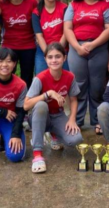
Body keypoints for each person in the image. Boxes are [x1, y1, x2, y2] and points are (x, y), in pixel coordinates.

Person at [63, 0, 109, 134]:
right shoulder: (73, 5)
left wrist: (92, 44)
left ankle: (97, 120)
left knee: (97, 85)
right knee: (79, 85)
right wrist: (77, 47)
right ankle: (77, 120)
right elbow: (67, 28)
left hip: (98, 48)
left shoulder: (105, 6)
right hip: (76, 48)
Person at [24, 43, 83, 173]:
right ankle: (38, 154)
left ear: (64, 58)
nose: (54, 60)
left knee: (76, 139)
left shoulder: (69, 76)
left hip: (58, 114)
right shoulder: (40, 78)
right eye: (50, 57)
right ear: (45, 59)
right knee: (41, 105)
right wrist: (47, 94)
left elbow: (73, 99)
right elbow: (26, 104)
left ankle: (54, 133)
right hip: (39, 117)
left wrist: (72, 119)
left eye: (58, 56)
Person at [0, 0, 37, 88]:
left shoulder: (32, 2)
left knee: (27, 76)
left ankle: (24, 103)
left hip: (28, 46)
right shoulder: (1, 3)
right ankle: (7, 99)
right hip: (8, 45)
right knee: (6, 74)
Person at [32, 0, 69, 73]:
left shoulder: (64, 8)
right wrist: (48, 54)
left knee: (64, 76)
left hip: (63, 48)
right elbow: (39, 36)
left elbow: (66, 32)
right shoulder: (36, 12)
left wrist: (58, 52)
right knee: (41, 76)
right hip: (43, 50)